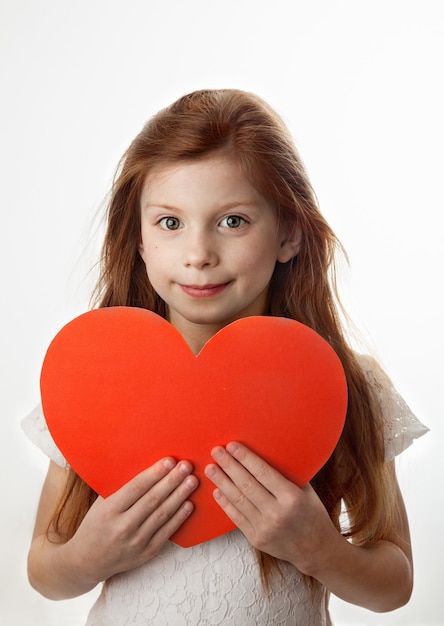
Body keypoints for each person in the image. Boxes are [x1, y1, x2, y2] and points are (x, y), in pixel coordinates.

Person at [22, 89, 428, 625]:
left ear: (289, 233)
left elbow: (394, 586)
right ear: (139, 240)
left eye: (232, 221)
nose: (198, 255)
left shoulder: (341, 383)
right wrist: (87, 556)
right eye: (170, 223)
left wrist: (319, 549)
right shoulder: (92, 378)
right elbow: (44, 571)